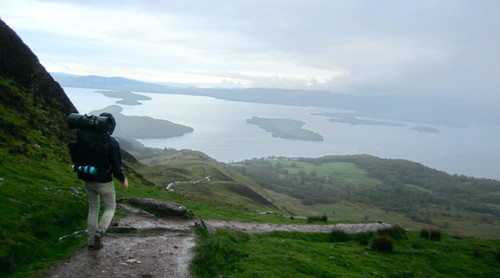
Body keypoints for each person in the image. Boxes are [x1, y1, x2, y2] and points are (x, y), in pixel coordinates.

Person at [80, 112, 128, 250]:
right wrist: (123, 180)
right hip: (104, 181)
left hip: (87, 178)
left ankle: (91, 240)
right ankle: (100, 231)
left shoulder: (85, 137)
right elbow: (116, 166)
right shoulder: (111, 142)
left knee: (93, 207)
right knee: (110, 207)